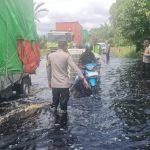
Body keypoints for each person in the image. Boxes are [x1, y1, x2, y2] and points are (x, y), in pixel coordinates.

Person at [47, 41, 89, 114]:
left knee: (55, 104)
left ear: (58, 46)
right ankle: (63, 121)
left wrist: (49, 81)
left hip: (55, 84)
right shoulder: (66, 56)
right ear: (65, 46)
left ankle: (55, 121)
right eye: (67, 47)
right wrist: (83, 78)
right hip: (64, 84)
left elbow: (48, 70)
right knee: (63, 108)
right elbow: (75, 68)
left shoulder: (50, 56)